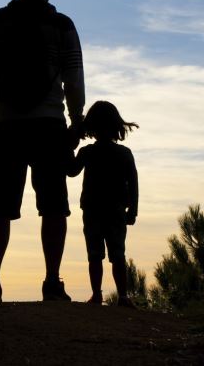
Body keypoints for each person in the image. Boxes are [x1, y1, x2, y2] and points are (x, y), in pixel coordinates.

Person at [0, 0, 85, 302]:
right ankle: (52, 281)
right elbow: (74, 78)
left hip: (7, 125)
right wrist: (77, 121)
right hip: (50, 126)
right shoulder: (62, 25)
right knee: (53, 206)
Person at [68, 101, 138, 307]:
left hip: (93, 209)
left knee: (95, 254)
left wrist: (69, 146)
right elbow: (133, 183)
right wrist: (133, 209)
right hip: (114, 210)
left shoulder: (87, 152)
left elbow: (70, 171)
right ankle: (122, 296)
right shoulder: (124, 154)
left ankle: (98, 294)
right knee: (117, 253)